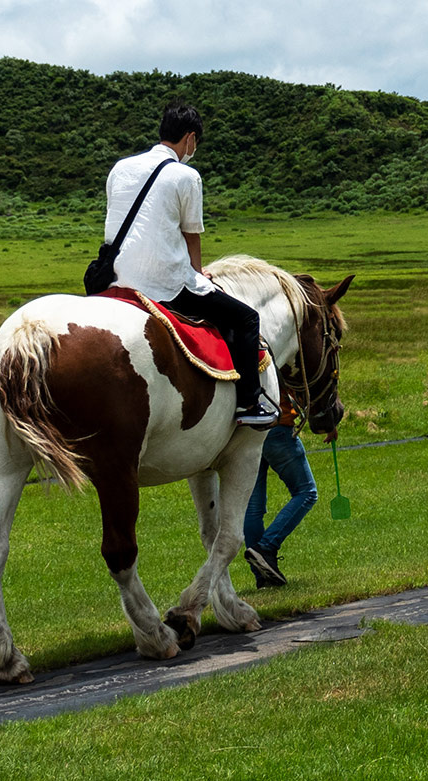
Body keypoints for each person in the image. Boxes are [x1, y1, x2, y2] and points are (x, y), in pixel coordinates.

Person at [105, 102, 277, 428]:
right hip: (163, 283)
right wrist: (199, 274)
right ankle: (249, 404)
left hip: (116, 278)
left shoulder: (120, 168)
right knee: (246, 319)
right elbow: (191, 235)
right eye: (195, 143)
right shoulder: (187, 176)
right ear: (190, 139)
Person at [243, 395, 320, 587]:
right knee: (307, 492)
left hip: (249, 433)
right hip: (278, 427)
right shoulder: (280, 363)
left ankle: (263, 577)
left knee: (253, 509)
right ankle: (266, 548)